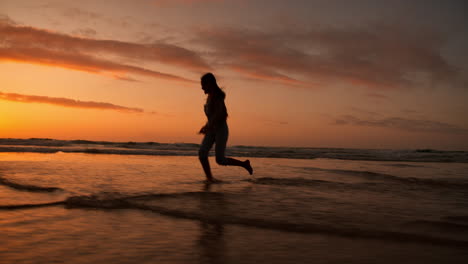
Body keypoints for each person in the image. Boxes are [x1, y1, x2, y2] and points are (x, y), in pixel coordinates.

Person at [198, 73, 253, 182]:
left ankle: (244, 164)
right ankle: (209, 179)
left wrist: (208, 125)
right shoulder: (209, 97)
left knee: (220, 160)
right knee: (202, 153)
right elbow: (213, 115)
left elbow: (223, 114)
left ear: (210, 83)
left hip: (221, 130)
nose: (202, 87)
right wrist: (207, 126)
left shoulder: (218, 96)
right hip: (211, 129)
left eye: (203, 84)